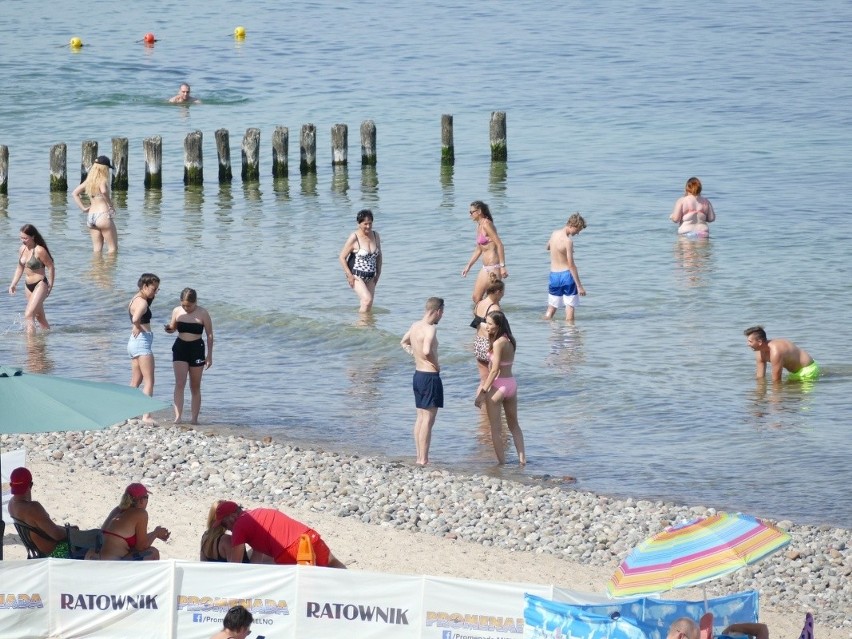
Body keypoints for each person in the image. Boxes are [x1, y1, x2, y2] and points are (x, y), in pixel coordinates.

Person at [211, 501, 346, 568]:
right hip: (308, 536)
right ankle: (353, 587)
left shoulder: (239, 526)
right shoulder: (257, 514)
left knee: (307, 585)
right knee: (332, 563)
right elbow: (256, 561)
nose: (228, 530)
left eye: (224, 524)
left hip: (290, 550)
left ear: (231, 517)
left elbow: (236, 565)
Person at [475, 311, 526, 465]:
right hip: (511, 384)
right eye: (486, 322)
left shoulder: (497, 343)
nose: (487, 326)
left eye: (490, 323)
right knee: (514, 425)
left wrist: (483, 392)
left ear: (498, 325)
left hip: (498, 386)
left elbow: (494, 369)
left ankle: (502, 464)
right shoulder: (510, 340)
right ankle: (522, 461)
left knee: (495, 430)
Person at [401, 297, 445, 466]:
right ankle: (424, 459)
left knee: (420, 417)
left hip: (418, 374)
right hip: (430, 376)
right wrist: (435, 364)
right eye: (442, 313)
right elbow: (427, 350)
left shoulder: (414, 325)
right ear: (438, 311)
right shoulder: (430, 329)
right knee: (428, 419)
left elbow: (404, 342)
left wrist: (415, 354)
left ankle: (419, 456)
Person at [164, 288, 214, 424]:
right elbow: (173, 327)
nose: (186, 308)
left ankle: (194, 419)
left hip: (197, 348)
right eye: (183, 305)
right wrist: (169, 329)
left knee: (195, 385)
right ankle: (178, 417)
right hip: (180, 347)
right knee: (180, 383)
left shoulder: (203, 313)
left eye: (189, 306)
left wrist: (209, 356)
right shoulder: (177, 311)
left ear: (195, 302)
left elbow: (209, 335)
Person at [8, 467, 76, 558]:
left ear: (11, 485)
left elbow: (44, 528)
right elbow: (57, 535)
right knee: (91, 545)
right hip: (54, 553)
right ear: (30, 485)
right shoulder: (33, 508)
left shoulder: (11, 504)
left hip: (36, 552)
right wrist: (70, 530)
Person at [98, 483, 170, 560]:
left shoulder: (117, 510)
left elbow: (136, 542)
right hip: (114, 563)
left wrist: (154, 533)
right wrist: (156, 533)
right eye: (147, 497)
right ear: (141, 500)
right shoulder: (140, 513)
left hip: (99, 558)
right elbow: (141, 547)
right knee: (153, 552)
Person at [8, 224, 55, 333]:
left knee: (29, 314)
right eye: (21, 238)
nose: (22, 240)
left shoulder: (39, 250)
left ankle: (31, 344)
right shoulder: (22, 249)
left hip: (40, 284)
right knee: (39, 317)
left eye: (25, 238)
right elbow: (20, 268)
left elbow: (51, 267)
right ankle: (47, 338)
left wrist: (51, 285)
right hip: (28, 286)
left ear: (33, 237)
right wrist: (13, 284)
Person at [461, 201, 508, 305]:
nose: (470, 215)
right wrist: (468, 266)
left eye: (471, 212)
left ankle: (494, 318)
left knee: (493, 300)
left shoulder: (487, 224)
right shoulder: (479, 225)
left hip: (494, 267)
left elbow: (500, 244)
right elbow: (479, 249)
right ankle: (482, 317)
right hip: (485, 268)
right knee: (476, 298)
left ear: (479, 211)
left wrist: (502, 266)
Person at [128, 273, 160, 423]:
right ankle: (146, 415)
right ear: (145, 286)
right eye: (154, 289)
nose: (155, 292)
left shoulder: (135, 298)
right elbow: (135, 319)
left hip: (133, 343)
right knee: (149, 381)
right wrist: (137, 326)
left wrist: (136, 326)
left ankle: (128, 412)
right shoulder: (142, 303)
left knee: (135, 381)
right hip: (142, 342)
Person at [544, 213, 587, 322]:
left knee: (552, 307)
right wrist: (579, 286)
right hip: (566, 275)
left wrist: (557, 249)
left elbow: (547, 247)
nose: (577, 233)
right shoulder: (568, 242)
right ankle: (570, 334)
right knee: (570, 306)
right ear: (572, 225)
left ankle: (546, 328)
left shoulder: (554, 234)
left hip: (554, 276)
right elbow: (571, 265)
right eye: (578, 230)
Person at [339, 208, 382, 313]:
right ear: (359, 223)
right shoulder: (354, 237)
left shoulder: (376, 236)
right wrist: (349, 275)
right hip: (356, 275)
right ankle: (361, 325)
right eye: (365, 224)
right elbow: (342, 257)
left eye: (370, 223)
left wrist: (378, 273)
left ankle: (365, 327)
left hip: (371, 275)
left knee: (368, 304)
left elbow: (379, 256)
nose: (368, 226)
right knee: (367, 300)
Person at [72, 155, 118, 253]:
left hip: (91, 217)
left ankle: (96, 268)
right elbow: (104, 191)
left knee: (97, 250)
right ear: (104, 168)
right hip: (103, 216)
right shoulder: (102, 180)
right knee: (113, 249)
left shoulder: (89, 182)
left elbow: (74, 193)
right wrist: (110, 205)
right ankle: (109, 268)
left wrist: (83, 208)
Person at [745, 326, 820, 382]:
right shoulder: (759, 351)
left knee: (794, 397)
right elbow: (760, 377)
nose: (747, 344)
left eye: (750, 341)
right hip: (794, 373)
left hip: (808, 370)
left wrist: (775, 399)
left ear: (760, 342)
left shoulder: (776, 351)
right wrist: (759, 397)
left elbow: (776, 380)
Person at [470, 274, 505, 383]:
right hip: (489, 345)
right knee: (495, 381)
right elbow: (498, 330)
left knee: (483, 380)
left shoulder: (479, 304)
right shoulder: (494, 308)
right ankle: (491, 400)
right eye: (503, 292)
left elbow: (477, 324)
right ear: (498, 292)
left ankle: (479, 399)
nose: (503, 295)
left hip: (478, 343)